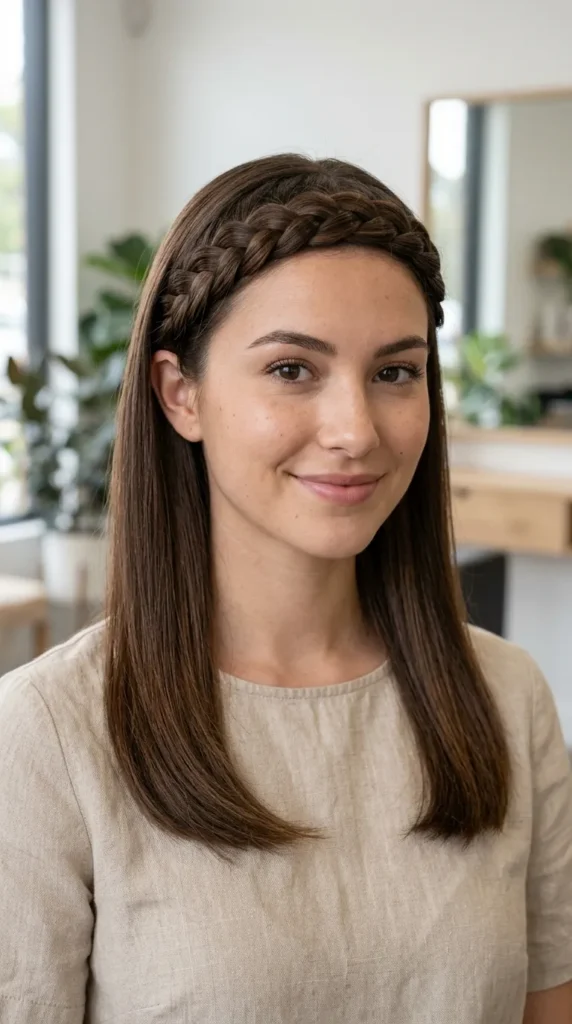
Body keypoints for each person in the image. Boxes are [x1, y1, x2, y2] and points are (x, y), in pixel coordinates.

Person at [0, 154, 571, 1024]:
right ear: (179, 393)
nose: (355, 431)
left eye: (395, 372)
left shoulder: (505, 698)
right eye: (292, 370)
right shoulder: (47, 737)